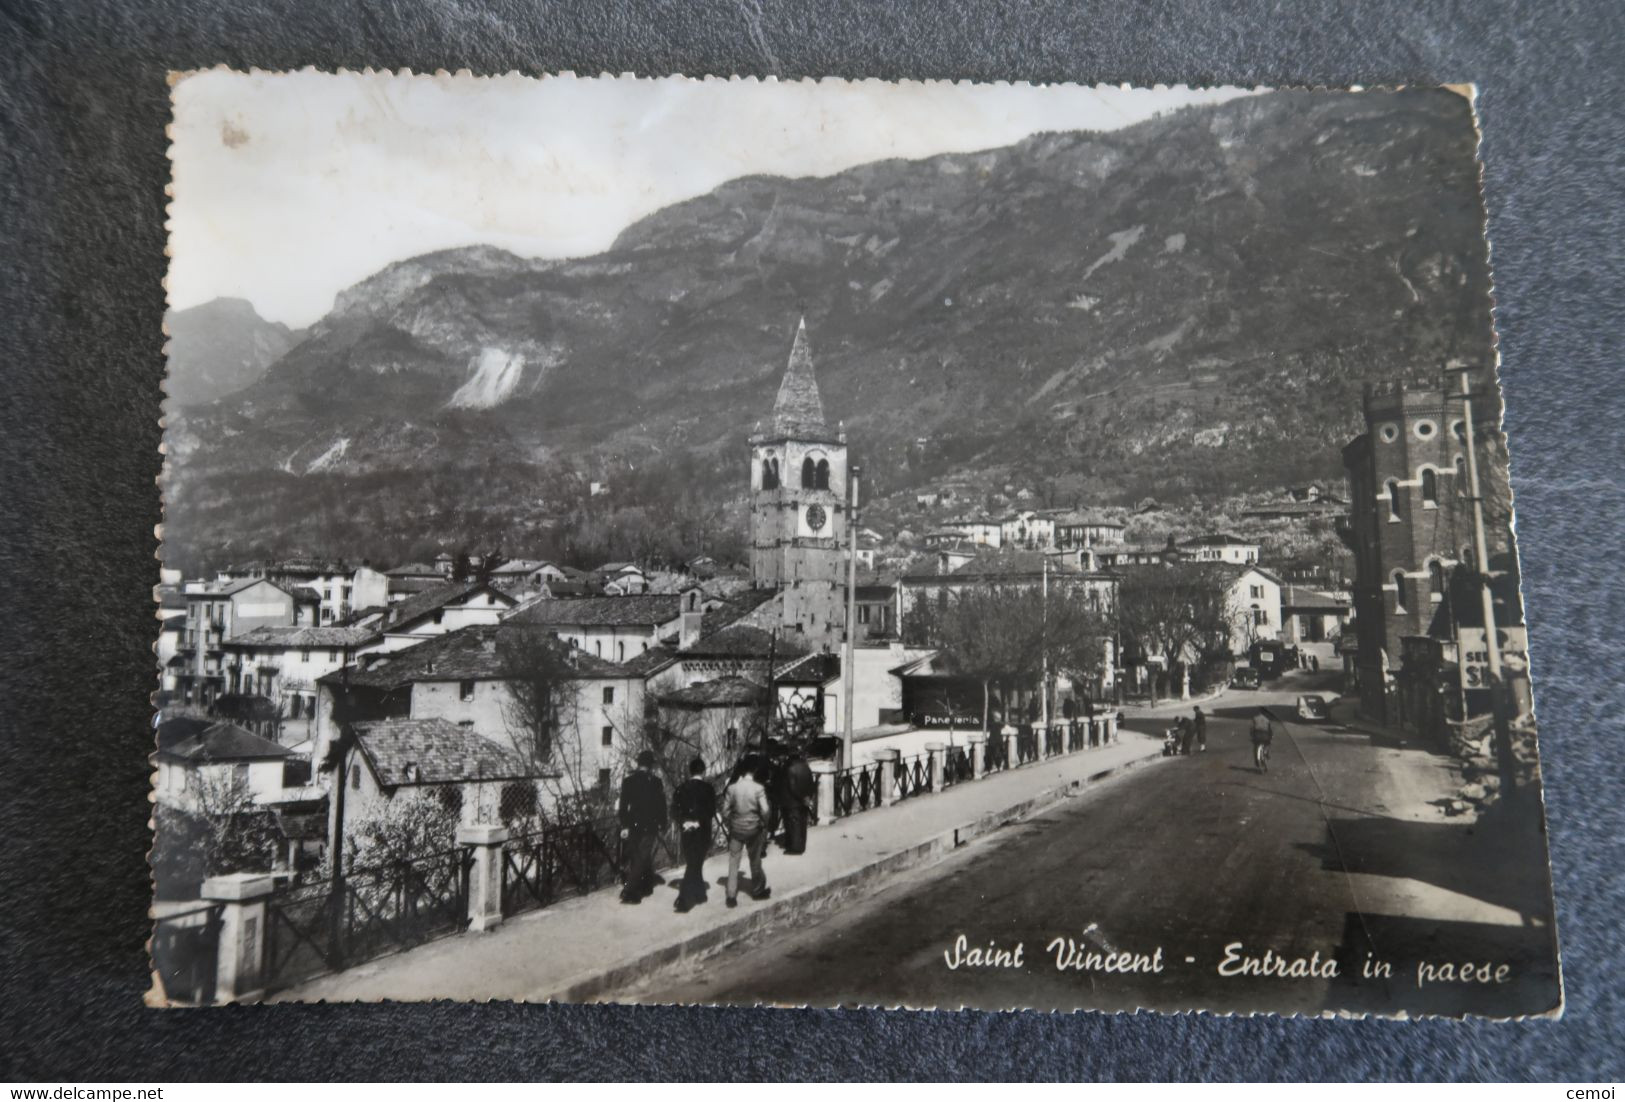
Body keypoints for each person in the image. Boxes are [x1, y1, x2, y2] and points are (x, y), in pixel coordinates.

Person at [721, 755, 774, 907]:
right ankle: (757, 890)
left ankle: (731, 896)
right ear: (755, 771)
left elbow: (724, 811)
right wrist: (763, 823)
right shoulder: (758, 789)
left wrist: (732, 822)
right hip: (753, 829)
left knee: (733, 861)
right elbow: (765, 810)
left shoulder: (732, 788)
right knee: (755, 860)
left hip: (736, 829)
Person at [617, 749, 669, 904]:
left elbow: (623, 806)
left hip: (632, 825)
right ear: (651, 765)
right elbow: (661, 805)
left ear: (639, 764)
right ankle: (630, 891)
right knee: (642, 856)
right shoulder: (655, 782)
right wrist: (663, 822)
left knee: (636, 857)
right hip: (650, 825)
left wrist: (625, 825)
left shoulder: (628, 781)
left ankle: (644, 885)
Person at [670, 756, 716, 913]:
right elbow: (711, 811)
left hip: (686, 830)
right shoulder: (708, 789)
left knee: (693, 861)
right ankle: (683, 899)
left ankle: (700, 894)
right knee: (695, 863)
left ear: (690, 771)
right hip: (702, 830)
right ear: (703, 771)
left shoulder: (681, 788)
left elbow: (674, 811)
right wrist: (698, 822)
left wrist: (684, 822)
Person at [777, 751, 816, 855]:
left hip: (793, 801)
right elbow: (811, 784)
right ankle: (801, 845)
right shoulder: (806, 767)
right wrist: (807, 797)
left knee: (794, 824)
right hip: (804, 800)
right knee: (802, 824)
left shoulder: (791, 769)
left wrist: (801, 797)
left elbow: (792, 787)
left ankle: (796, 848)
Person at [1250, 708, 1275, 773]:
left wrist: (1252, 736)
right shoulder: (1267, 720)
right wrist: (1271, 737)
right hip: (1265, 736)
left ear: (1259, 712)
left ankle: (1257, 761)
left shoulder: (1255, 718)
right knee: (1267, 744)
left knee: (1256, 747)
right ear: (1265, 713)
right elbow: (1270, 730)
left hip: (1257, 736)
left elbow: (1252, 728)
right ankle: (1266, 753)